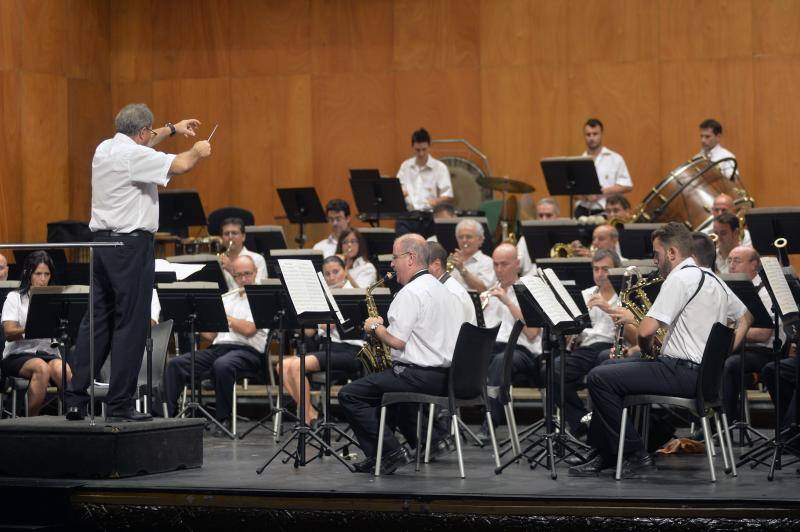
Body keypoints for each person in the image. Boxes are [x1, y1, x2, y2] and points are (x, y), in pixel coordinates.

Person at [569, 222, 751, 477]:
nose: (655, 261)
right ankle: (605, 453)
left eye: (657, 254)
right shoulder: (714, 279)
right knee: (608, 367)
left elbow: (645, 331)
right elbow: (746, 317)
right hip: (703, 377)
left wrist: (648, 351)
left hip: (681, 373)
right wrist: (723, 355)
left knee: (599, 377)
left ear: (673, 253)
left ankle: (633, 453)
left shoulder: (679, 278)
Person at [66, 103, 211, 422]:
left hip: (102, 245)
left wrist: (173, 128)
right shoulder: (136, 156)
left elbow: (144, 141)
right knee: (131, 324)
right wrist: (198, 149)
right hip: (131, 247)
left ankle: (75, 398)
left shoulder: (105, 148)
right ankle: (119, 405)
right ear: (142, 132)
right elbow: (183, 164)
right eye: (150, 132)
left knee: (97, 321)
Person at [338, 234, 462, 474]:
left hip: (419, 377)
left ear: (411, 258)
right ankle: (384, 454)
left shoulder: (410, 293)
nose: (392, 264)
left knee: (350, 394)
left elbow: (396, 342)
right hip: (446, 378)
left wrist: (374, 326)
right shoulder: (445, 291)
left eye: (395, 258)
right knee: (387, 386)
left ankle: (390, 452)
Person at [164, 256, 268, 435]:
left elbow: (249, 329)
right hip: (219, 348)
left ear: (255, 273)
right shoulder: (227, 299)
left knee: (223, 365)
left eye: (247, 274)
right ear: (233, 276)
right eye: (238, 275)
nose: (243, 279)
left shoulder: (261, 298)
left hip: (248, 351)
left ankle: (223, 419)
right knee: (176, 364)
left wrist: (224, 317)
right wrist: (195, 322)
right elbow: (212, 335)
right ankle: (165, 416)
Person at [282, 256, 364, 426]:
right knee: (282, 366)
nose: (331, 277)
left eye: (336, 272)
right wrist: (293, 317)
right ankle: (310, 413)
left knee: (297, 365)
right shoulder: (324, 295)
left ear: (345, 272)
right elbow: (311, 331)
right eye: (327, 274)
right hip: (330, 348)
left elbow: (337, 327)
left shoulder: (353, 294)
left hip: (352, 351)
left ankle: (309, 417)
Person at [553, 249, 621, 438]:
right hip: (585, 348)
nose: (600, 274)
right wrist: (571, 332)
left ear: (616, 270)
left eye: (605, 269)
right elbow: (569, 333)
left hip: (611, 348)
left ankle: (604, 427)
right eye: (596, 269)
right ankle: (581, 422)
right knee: (553, 370)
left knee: (602, 361)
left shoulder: (625, 295)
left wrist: (608, 309)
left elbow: (632, 333)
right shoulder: (583, 295)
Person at [479, 243, 542, 438]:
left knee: (500, 361)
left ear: (517, 264)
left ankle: (490, 423)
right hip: (491, 348)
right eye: (496, 264)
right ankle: (444, 426)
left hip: (521, 352)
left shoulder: (528, 292)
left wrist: (507, 301)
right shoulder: (487, 294)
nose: (499, 269)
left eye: (504, 264)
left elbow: (532, 332)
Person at [1, 252, 71, 416]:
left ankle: (72, 417)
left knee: (63, 369)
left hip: (47, 352)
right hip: (17, 354)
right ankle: (31, 422)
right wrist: (31, 328)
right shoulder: (15, 297)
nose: (43, 279)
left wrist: (57, 341)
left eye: (46, 274)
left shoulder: (55, 299)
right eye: (38, 274)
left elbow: (57, 339)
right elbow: (9, 333)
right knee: (41, 368)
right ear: (28, 274)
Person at [722, 246, 780, 422]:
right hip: (739, 346)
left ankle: (727, 423)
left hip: (763, 352)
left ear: (754, 264)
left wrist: (733, 328)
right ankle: (709, 423)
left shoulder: (765, 293)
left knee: (728, 365)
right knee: (706, 359)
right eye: (729, 260)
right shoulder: (730, 289)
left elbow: (763, 334)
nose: (731, 265)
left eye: (737, 261)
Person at [395, 128, 453, 237]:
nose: (421, 153)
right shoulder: (405, 166)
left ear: (429, 146)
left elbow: (448, 195)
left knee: (432, 242)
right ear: (412, 147)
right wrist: (401, 194)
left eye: (424, 149)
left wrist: (435, 201)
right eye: (417, 150)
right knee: (402, 236)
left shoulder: (440, 167)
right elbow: (398, 190)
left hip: (429, 216)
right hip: (409, 215)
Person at [575, 118, 633, 217]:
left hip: (607, 211)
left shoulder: (615, 158)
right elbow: (574, 192)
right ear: (584, 136)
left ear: (601, 134)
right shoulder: (578, 161)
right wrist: (585, 196)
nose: (591, 138)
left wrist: (600, 193)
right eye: (588, 134)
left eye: (595, 134)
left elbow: (627, 185)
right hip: (583, 211)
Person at [426, 241, 477, 326]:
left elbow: (451, 335)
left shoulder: (451, 294)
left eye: (420, 265)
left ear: (436, 265)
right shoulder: (441, 287)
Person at [218, 217, 268, 290]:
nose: (230, 237)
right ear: (222, 238)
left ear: (243, 236)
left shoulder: (257, 259)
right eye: (226, 234)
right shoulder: (218, 261)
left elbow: (258, 291)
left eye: (234, 233)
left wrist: (232, 270)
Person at [517, 197, 561, 276]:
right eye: (540, 216)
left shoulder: (566, 238)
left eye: (548, 215)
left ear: (557, 217)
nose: (544, 220)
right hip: (530, 284)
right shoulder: (525, 239)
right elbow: (516, 265)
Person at [448, 218, 495, 292]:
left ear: (480, 239)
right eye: (460, 237)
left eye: (468, 237)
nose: (464, 240)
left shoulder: (487, 262)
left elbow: (484, 289)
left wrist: (462, 269)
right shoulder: (452, 261)